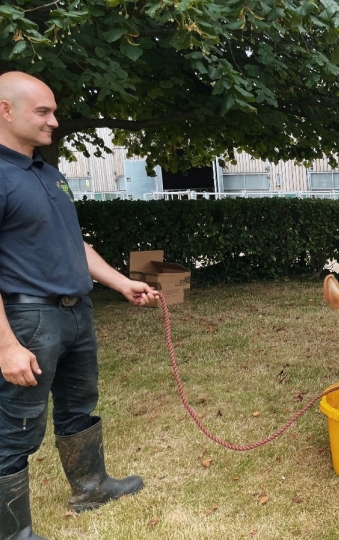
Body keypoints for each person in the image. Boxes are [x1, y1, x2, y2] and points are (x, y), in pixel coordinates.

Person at [0, 72, 159, 540]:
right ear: (5, 110)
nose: (54, 121)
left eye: (54, 110)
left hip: (75, 314)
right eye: (42, 112)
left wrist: (121, 283)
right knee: (15, 428)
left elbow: (76, 246)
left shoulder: (49, 174)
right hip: (28, 318)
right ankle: (13, 533)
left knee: (79, 406)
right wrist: (6, 344)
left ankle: (91, 488)